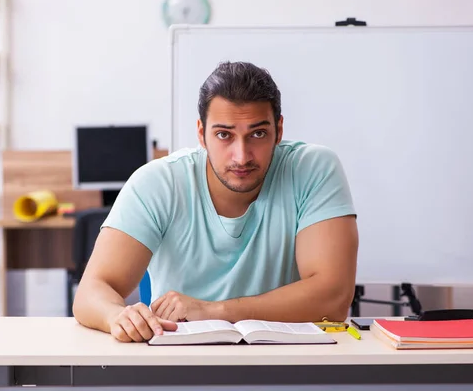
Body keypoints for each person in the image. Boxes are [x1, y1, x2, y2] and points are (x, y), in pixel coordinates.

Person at [73, 61, 359, 343]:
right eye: (224, 135)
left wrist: (213, 311)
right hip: (181, 362)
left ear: (279, 130)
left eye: (258, 134)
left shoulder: (313, 169)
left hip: (287, 361)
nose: (242, 156)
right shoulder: (158, 183)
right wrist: (117, 316)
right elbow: (92, 290)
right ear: (201, 133)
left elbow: (332, 298)